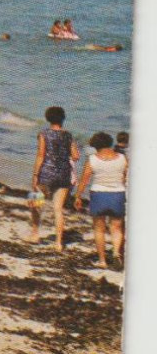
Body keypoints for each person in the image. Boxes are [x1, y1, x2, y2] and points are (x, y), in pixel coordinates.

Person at [75, 132, 127, 270]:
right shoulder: (122, 158)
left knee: (99, 229)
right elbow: (125, 177)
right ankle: (116, 253)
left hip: (99, 194)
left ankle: (102, 260)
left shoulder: (92, 159)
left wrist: (78, 196)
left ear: (96, 146)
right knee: (116, 228)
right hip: (118, 194)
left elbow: (84, 180)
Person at [32, 106, 79, 250]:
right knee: (58, 209)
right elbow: (76, 156)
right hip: (63, 174)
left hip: (46, 173)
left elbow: (41, 155)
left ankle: (34, 233)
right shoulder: (68, 135)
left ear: (47, 118)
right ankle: (58, 242)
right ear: (63, 118)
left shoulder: (44, 134)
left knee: (36, 201)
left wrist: (35, 175)